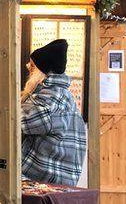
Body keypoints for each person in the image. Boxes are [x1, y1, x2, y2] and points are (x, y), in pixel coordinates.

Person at [21, 39, 88, 186]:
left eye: (32, 67)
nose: (28, 69)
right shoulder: (59, 93)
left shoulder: (54, 96)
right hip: (56, 180)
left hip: (48, 180)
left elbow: (23, 122)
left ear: (40, 72)